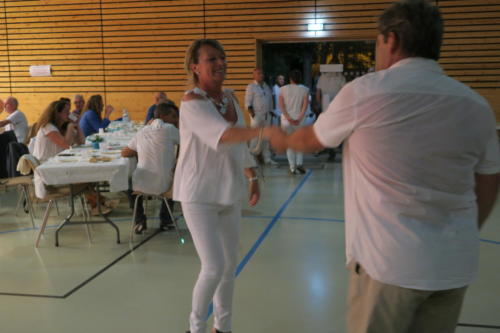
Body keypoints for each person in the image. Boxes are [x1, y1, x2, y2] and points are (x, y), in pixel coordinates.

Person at [268, 1, 500, 332]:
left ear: (390, 40)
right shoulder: (475, 105)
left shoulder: (366, 92)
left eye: (376, 42)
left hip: (390, 266)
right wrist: (461, 234)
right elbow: (489, 181)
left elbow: (313, 140)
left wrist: (283, 138)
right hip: (454, 266)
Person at [174, 38, 274, 333]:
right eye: (211, 59)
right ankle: (195, 328)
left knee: (229, 267)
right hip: (198, 193)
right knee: (214, 266)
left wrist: (252, 176)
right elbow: (223, 136)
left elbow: (238, 146)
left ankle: (223, 327)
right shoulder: (192, 102)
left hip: (228, 189)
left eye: (222, 58)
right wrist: (266, 131)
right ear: (195, 67)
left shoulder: (230, 99)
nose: (220, 63)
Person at [121, 102, 180, 234]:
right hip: (165, 185)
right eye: (173, 116)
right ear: (163, 116)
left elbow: (125, 153)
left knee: (126, 182)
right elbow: (187, 142)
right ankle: (166, 220)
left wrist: (143, 148)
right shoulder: (171, 129)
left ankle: (139, 220)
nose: (176, 119)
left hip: (141, 185)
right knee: (175, 176)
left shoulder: (142, 131)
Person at [279, 70, 309, 175]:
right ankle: (299, 163)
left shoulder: (282, 89)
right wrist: (299, 118)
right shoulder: (305, 90)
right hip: (299, 120)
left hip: (286, 121)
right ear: (299, 78)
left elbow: (281, 105)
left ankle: (292, 167)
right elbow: (305, 106)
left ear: (290, 78)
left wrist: (288, 117)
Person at [245, 68, 276, 165]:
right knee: (255, 138)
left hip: (267, 116)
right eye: (258, 73)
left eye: (262, 73)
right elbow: (248, 102)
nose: (261, 75)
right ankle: (251, 159)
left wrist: (271, 112)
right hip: (256, 116)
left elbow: (270, 101)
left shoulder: (266, 86)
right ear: (253, 76)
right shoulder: (251, 87)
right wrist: (253, 115)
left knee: (266, 138)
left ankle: (267, 158)